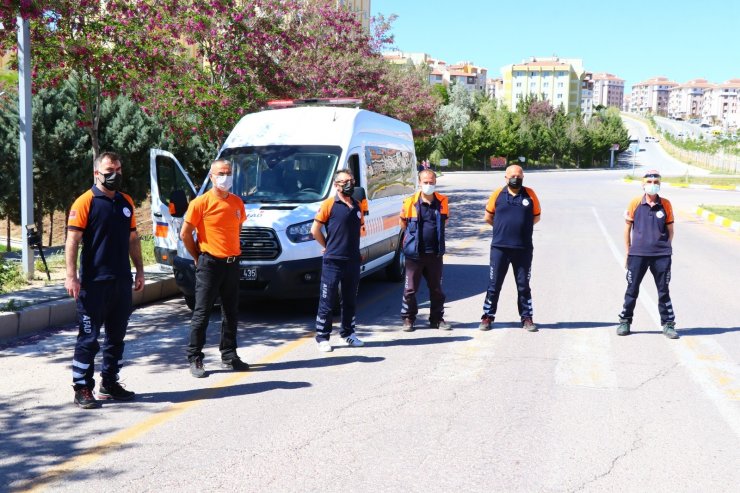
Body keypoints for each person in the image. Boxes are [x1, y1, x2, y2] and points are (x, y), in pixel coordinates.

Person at [65, 151, 145, 409]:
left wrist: (140, 271)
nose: (115, 175)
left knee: (116, 338)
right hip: (93, 284)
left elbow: (133, 239)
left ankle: (109, 383)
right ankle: (82, 388)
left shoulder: (126, 201)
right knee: (88, 339)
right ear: (97, 173)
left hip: (120, 282)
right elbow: (73, 240)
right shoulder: (85, 202)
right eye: (109, 170)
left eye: (118, 169)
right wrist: (71, 276)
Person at [181, 159, 250, 377]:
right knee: (202, 312)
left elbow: (236, 230)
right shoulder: (200, 203)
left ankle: (229, 355)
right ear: (211, 176)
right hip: (209, 264)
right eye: (221, 173)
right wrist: (198, 256)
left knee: (231, 311)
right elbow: (185, 234)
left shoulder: (237, 202)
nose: (225, 177)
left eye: (229, 173)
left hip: (232, 263)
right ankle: (195, 357)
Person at [479, 164, 541, 332]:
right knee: (494, 285)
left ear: (523, 177)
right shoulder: (498, 194)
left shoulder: (530, 194)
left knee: (523, 285)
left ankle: (527, 317)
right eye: (512, 176)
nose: (516, 178)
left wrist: (521, 229)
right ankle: (487, 317)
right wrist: (501, 228)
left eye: (519, 176)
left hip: (523, 249)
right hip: (500, 248)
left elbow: (536, 217)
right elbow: (488, 217)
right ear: (506, 178)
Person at [617, 169, 678, 339]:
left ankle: (668, 324)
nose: (652, 185)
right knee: (632, 289)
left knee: (663, 290)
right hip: (638, 255)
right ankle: (625, 321)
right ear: (643, 185)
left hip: (661, 255)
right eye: (649, 182)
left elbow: (670, 229)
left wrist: (665, 247)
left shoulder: (665, 204)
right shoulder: (635, 202)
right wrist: (628, 252)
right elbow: (627, 228)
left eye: (656, 183)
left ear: (660, 185)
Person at [311, 169, 366, 352]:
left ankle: (347, 334)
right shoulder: (329, 204)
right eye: (344, 181)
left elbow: (359, 231)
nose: (349, 184)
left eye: (351, 180)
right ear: (336, 185)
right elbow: (315, 230)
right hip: (333, 261)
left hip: (352, 261)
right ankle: (322, 337)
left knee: (350, 299)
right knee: (327, 299)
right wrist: (326, 246)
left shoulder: (357, 205)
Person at [399, 169, 451, 331]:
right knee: (410, 289)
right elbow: (403, 224)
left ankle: (437, 319)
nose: (429, 185)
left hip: (435, 254)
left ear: (435, 182)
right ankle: (408, 319)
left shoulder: (442, 201)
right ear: (419, 183)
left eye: (431, 182)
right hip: (414, 255)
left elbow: (445, 222)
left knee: (436, 289)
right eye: (425, 182)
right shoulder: (409, 202)